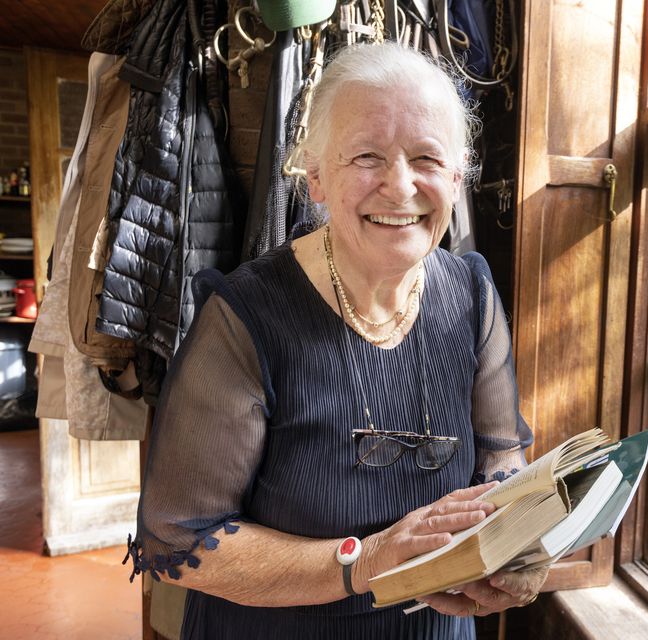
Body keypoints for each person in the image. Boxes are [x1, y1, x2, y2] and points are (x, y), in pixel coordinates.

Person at [127, 41, 547, 639]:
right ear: (317, 177)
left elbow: (501, 456)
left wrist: (514, 541)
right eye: (368, 157)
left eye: (427, 158)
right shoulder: (247, 317)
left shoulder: (472, 295)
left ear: (457, 178)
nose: (401, 187)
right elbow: (184, 542)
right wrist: (368, 561)